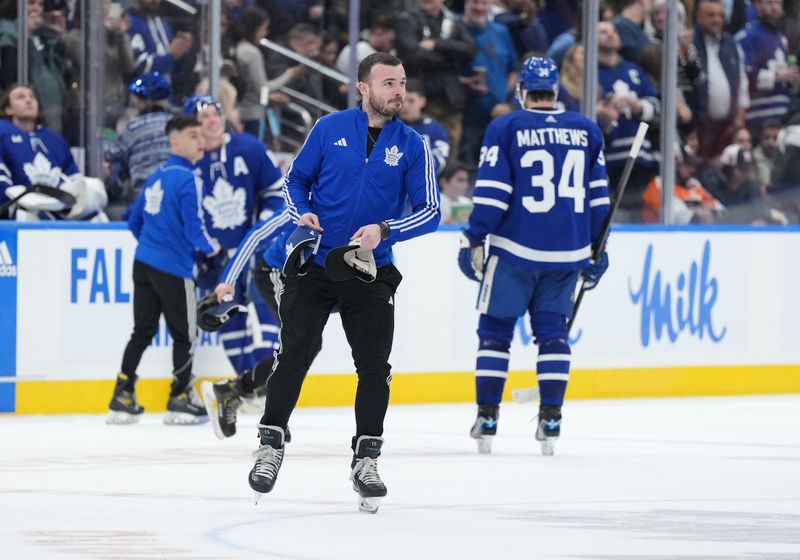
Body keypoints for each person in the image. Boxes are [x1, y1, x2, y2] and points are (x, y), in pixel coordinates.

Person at [248, 52, 440, 514]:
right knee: (293, 353)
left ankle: (366, 459)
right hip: (315, 265)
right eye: (389, 83)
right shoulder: (328, 128)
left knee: (375, 367)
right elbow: (293, 183)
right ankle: (270, 446)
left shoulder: (412, 144)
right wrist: (302, 214)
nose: (399, 91)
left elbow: (431, 211)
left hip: (370, 270)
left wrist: (385, 231)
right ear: (363, 88)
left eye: (403, 82)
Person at [457, 56, 610, 456]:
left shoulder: (506, 126)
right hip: (568, 256)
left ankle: (487, 417)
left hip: (514, 252)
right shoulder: (586, 130)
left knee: (494, 332)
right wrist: (598, 248)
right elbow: (599, 200)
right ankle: (552, 419)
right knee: (553, 334)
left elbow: (493, 194)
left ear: (522, 91)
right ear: (556, 91)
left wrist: (472, 237)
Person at [107, 115, 221, 425]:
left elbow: (134, 221)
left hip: (143, 263)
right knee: (186, 333)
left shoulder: (157, 175)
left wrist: (151, 245)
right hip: (173, 267)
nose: (200, 141)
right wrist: (216, 250)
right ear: (175, 142)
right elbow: (195, 229)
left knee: (142, 331)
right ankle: (180, 397)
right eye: (193, 136)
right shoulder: (189, 179)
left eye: (200, 136)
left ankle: (122, 394)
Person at [183, 95, 285, 381]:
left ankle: (265, 380)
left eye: (216, 114)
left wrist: (262, 228)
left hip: (254, 250)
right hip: (214, 260)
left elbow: (276, 193)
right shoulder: (188, 163)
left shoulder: (249, 148)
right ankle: (246, 379)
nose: (212, 120)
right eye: (204, 117)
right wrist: (201, 246)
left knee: (266, 309)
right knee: (228, 318)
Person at [0, 84, 107, 221]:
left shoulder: (54, 140)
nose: (29, 100)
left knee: (98, 217)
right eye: (20, 97)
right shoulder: (2, 133)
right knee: (26, 217)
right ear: (8, 109)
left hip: (59, 205)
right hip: (22, 208)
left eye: (32, 97)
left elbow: (73, 178)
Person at [104, 72, 174, 219]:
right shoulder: (178, 126)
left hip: (144, 199)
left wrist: (103, 138)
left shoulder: (134, 127)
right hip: (177, 197)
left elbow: (110, 153)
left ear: (140, 100)